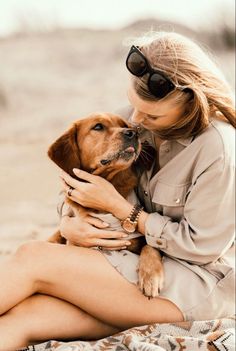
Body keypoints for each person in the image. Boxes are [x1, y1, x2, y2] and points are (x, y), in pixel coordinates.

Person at [0, 31, 235, 350]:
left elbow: (200, 247)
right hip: (125, 276)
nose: (136, 121)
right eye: (133, 106)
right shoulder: (132, 122)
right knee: (23, 318)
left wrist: (126, 211)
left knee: (33, 256)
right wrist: (72, 222)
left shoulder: (218, 148)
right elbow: (79, 175)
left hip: (190, 288)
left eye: (151, 115)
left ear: (191, 104)